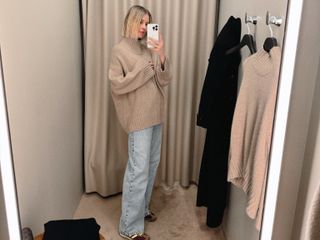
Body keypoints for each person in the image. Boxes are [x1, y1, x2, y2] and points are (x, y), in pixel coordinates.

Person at [108, 5, 172, 240]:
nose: (145, 27)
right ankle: (129, 227)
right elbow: (117, 84)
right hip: (139, 118)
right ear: (131, 21)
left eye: (148, 23)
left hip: (157, 115)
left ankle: (141, 209)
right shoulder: (119, 50)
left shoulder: (149, 48)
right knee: (138, 170)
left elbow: (164, 80)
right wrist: (144, 70)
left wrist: (161, 54)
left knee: (151, 165)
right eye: (142, 22)